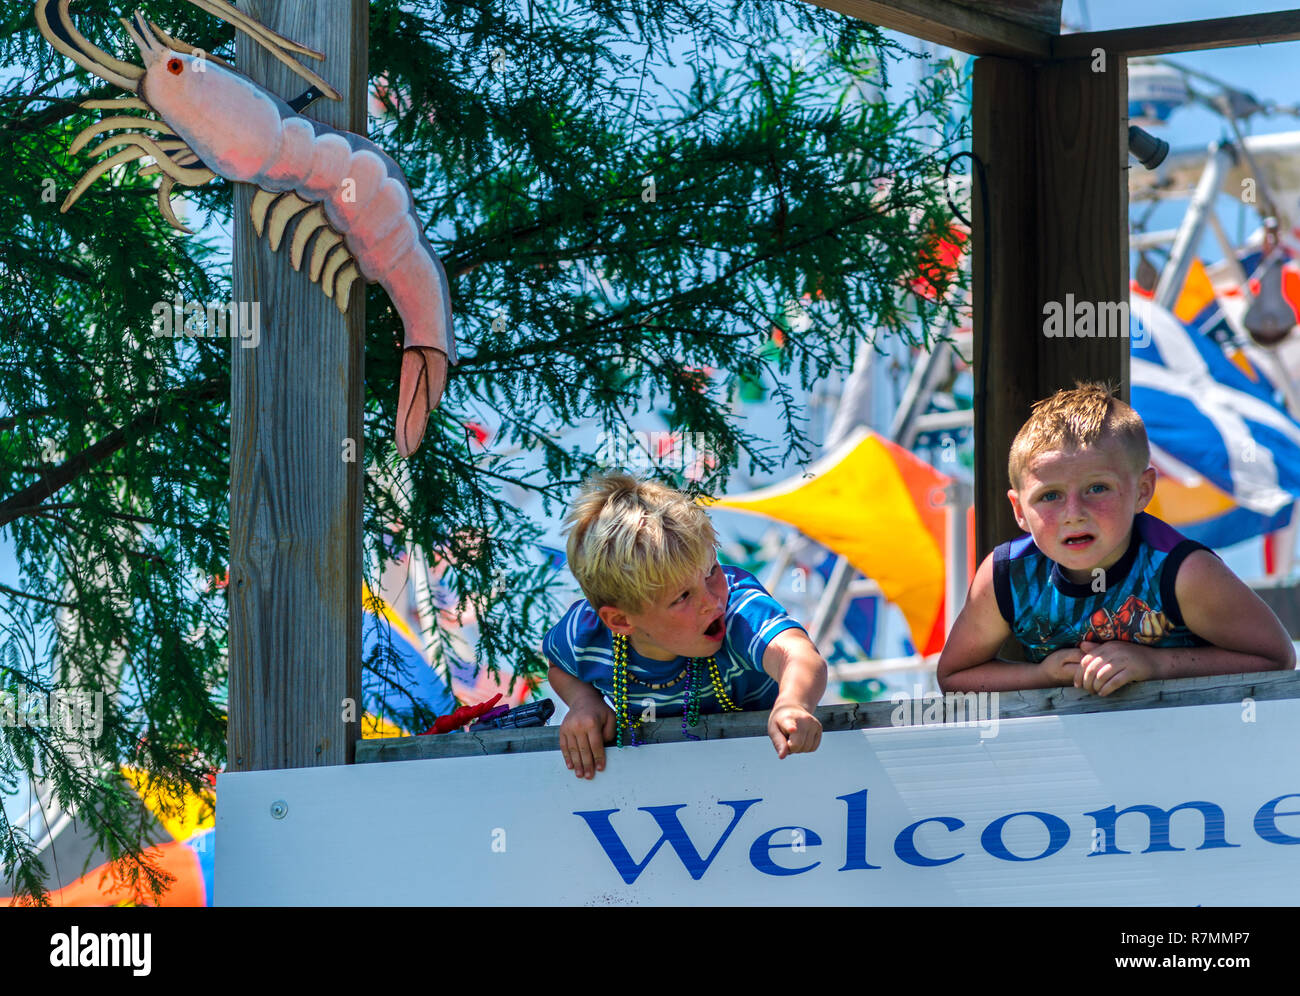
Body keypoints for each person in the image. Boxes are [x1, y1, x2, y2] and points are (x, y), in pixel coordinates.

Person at [938, 382, 1295, 694]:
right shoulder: (1007, 576)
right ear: (1019, 510)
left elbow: (1275, 657)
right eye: (1050, 496)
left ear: (1143, 490)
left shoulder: (1182, 572)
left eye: (1097, 488)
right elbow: (954, 675)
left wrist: (1155, 666)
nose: (1073, 512)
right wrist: (1041, 675)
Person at [544, 472, 827, 778]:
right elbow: (560, 666)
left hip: (771, 766)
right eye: (682, 597)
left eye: (711, 572)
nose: (711, 600)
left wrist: (792, 703)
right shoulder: (585, 635)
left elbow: (797, 655)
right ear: (621, 620)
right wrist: (584, 702)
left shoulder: (739, 609)